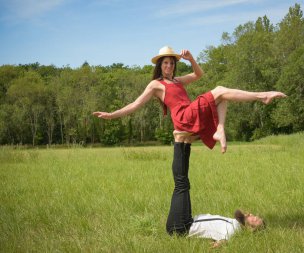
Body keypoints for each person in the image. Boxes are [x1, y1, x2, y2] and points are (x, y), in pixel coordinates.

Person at [93, 46, 287, 153]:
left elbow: (198, 74)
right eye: (165, 63)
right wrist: (112, 115)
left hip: (190, 113)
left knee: (222, 97)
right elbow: (135, 105)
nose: (169, 66)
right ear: (160, 65)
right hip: (183, 118)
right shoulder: (156, 85)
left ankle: (220, 130)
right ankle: (263, 96)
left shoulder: (177, 81)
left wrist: (191, 58)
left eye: (171, 63)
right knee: (219, 91)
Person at [166, 133, 265, 248]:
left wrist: (219, 244)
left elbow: (226, 239)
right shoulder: (235, 224)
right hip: (186, 221)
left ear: (250, 228)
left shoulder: (235, 230)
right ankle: (186, 142)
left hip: (181, 227)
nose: (252, 215)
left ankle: (179, 141)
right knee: (183, 183)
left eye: (255, 219)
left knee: (181, 184)